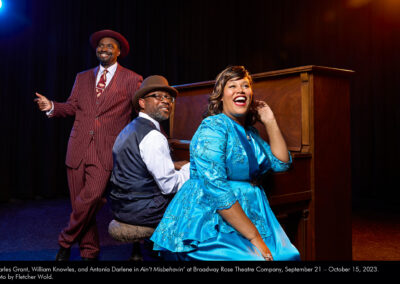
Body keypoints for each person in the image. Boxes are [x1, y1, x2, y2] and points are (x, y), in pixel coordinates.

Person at [150, 66, 300, 261]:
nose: (240, 90)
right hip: (212, 219)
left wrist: (269, 121)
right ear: (221, 97)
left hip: (253, 213)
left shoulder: (251, 133)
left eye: (245, 85)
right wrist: (254, 237)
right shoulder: (213, 126)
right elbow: (215, 187)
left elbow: (281, 164)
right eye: (232, 86)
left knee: (289, 256)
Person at [34, 29, 143, 261]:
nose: (103, 48)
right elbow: (72, 107)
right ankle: (89, 253)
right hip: (78, 148)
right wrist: (52, 106)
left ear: (119, 51)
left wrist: (158, 137)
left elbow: (141, 114)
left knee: (91, 199)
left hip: (106, 151)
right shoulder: (82, 77)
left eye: (109, 46)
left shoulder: (132, 79)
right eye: (100, 45)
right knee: (81, 207)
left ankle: (64, 241)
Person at [109, 75, 190, 228]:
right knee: (201, 198)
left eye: (168, 97)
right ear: (142, 102)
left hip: (122, 206)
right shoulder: (153, 136)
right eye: (158, 96)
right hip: (144, 211)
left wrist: (173, 165)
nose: (166, 101)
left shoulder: (129, 129)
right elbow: (169, 186)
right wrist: (189, 169)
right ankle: (186, 250)